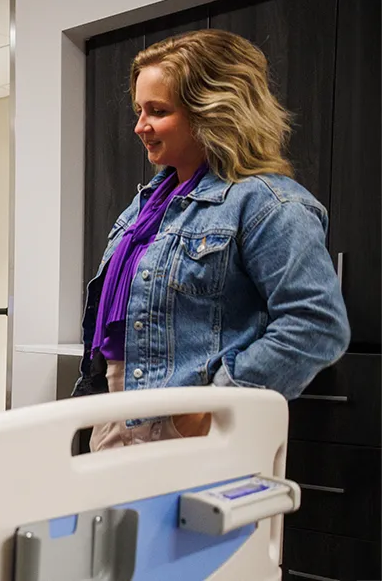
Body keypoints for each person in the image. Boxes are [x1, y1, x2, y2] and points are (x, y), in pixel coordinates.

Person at [75, 29, 350, 451]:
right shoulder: (148, 205)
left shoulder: (267, 202)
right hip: (118, 411)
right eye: (138, 109)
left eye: (157, 110)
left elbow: (316, 325)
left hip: (186, 427)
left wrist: (214, 404)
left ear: (211, 111)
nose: (139, 126)